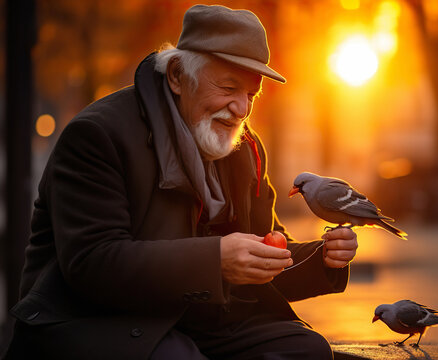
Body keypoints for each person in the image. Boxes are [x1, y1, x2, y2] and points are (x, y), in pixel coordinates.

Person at [4, 4, 358, 359]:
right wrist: (215, 260)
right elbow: (92, 264)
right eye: (228, 87)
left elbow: (262, 253)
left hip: (193, 322)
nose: (241, 110)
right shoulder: (97, 135)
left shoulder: (243, 147)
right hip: (91, 322)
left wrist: (321, 258)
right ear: (177, 75)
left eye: (250, 95)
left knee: (308, 350)